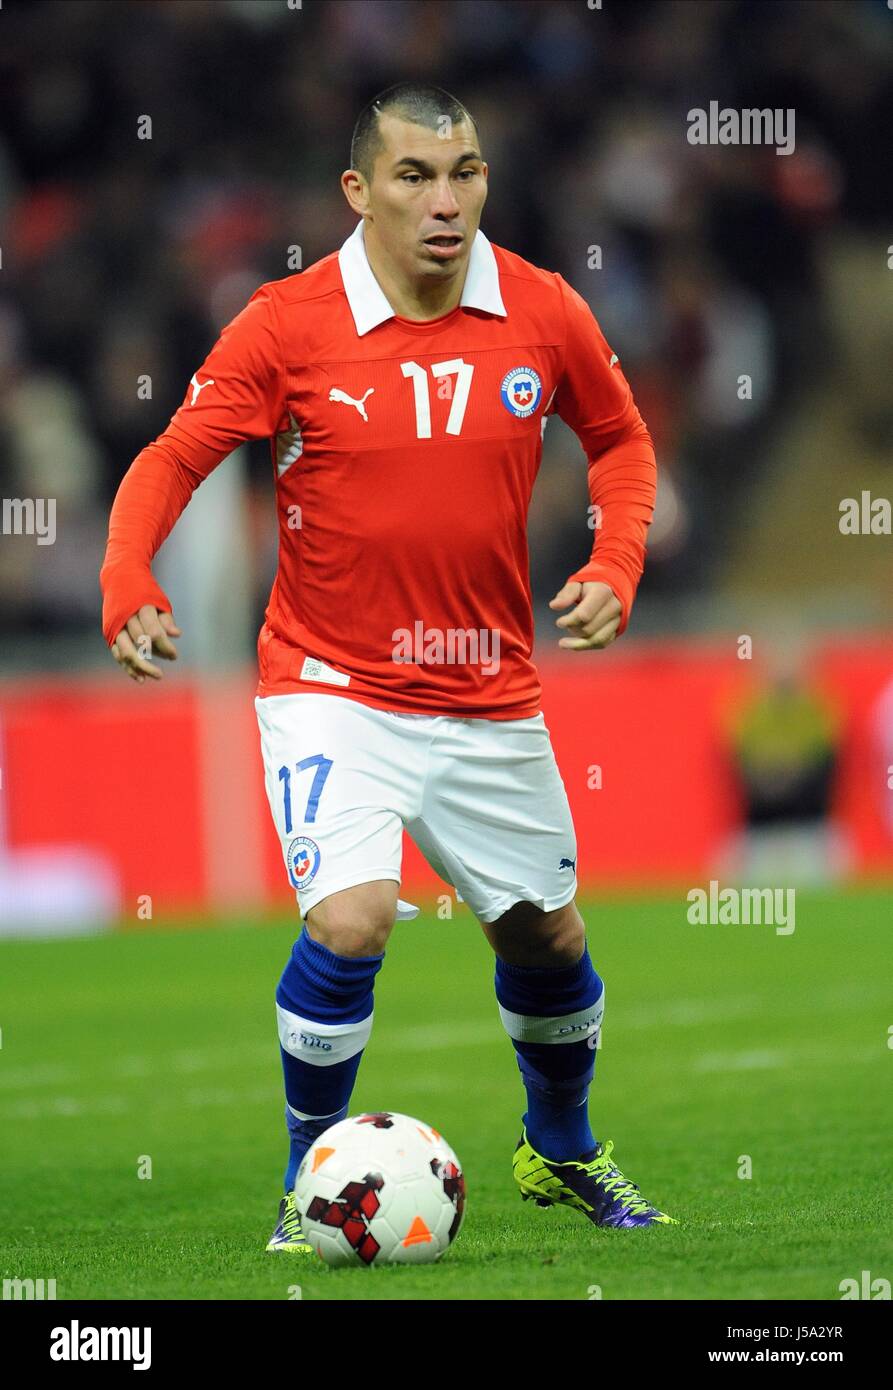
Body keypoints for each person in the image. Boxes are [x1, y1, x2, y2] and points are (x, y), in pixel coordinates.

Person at [100, 82, 673, 1249]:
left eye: (462, 172)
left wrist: (616, 561)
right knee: (356, 917)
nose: (444, 200)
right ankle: (303, 1179)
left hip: (488, 692)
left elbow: (617, 436)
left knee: (548, 939)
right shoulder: (288, 324)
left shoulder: (541, 308)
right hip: (331, 686)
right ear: (358, 193)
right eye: (413, 176)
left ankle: (558, 1150)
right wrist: (127, 578)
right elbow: (174, 456)